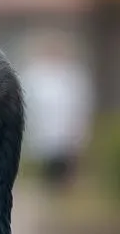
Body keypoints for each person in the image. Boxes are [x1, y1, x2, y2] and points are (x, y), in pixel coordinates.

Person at [19, 32, 93, 193]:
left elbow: (80, 103)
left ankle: (63, 191)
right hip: (41, 132)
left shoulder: (72, 74)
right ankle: (48, 191)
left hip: (67, 131)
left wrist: (79, 129)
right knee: (45, 167)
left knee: (65, 168)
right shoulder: (33, 74)